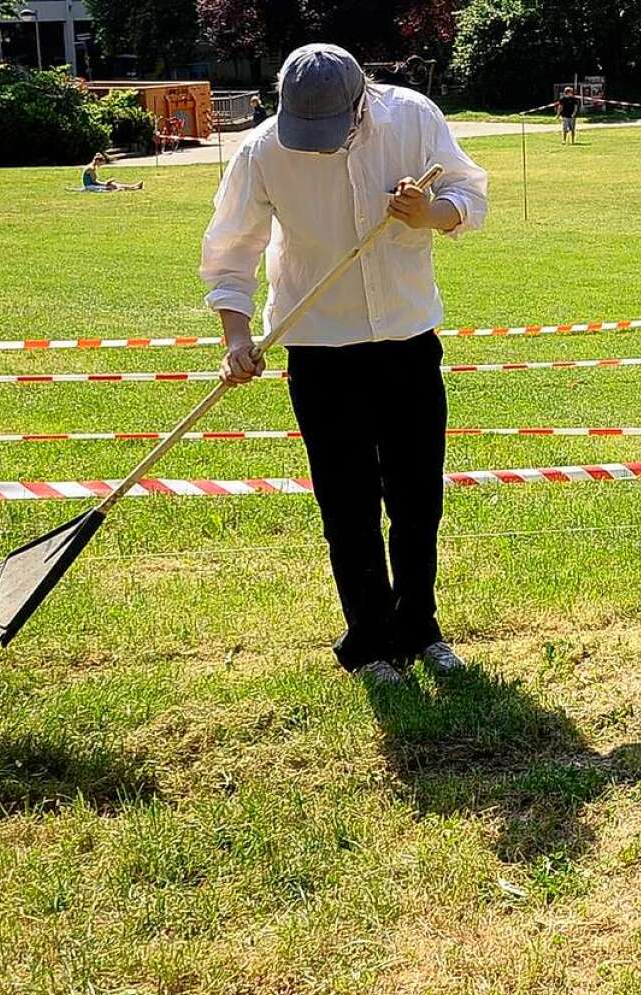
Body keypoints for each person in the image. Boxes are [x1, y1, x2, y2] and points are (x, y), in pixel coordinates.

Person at [201, 44, 488, 686]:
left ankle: (419, 628)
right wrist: (236, 335)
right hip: (318, 349)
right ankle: (370, 640)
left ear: (363, 99)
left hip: (408, 339)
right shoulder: (262, 150)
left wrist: (430, 213)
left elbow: (470, 192)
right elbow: (230, 250)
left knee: (417, 497)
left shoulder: (412, 117)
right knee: (346, 502)